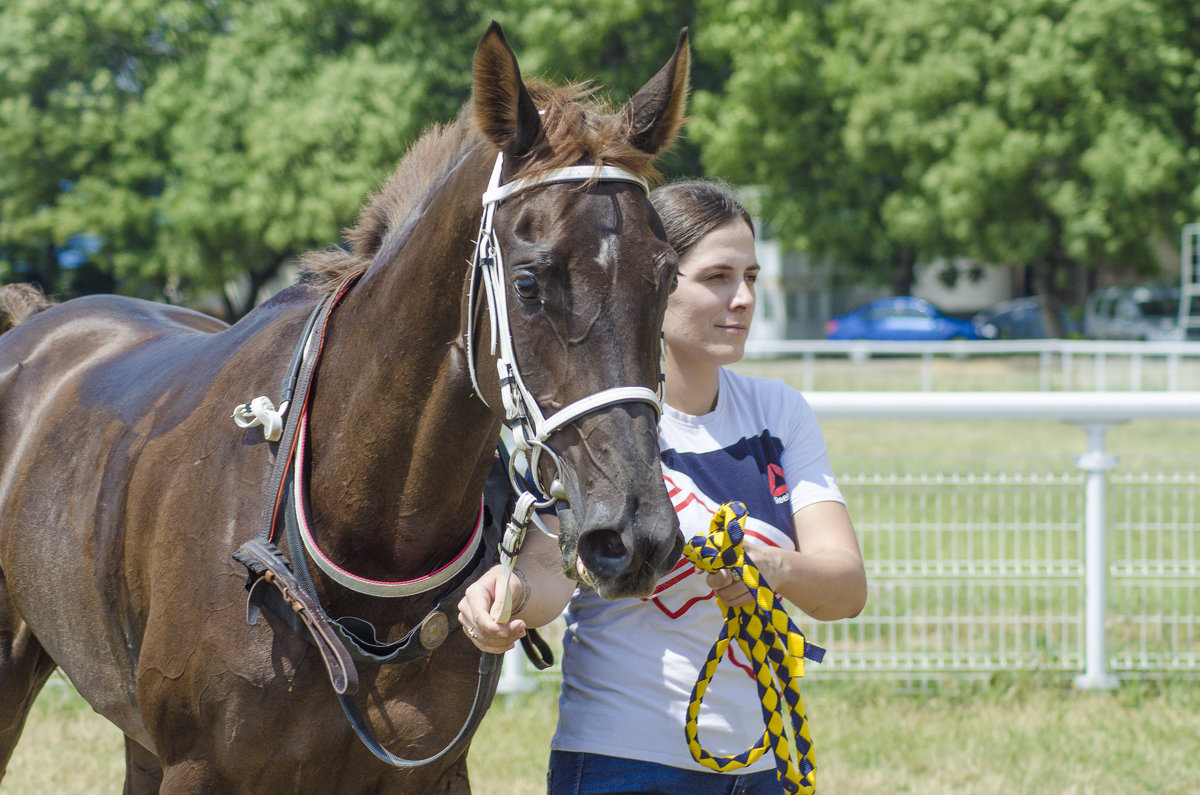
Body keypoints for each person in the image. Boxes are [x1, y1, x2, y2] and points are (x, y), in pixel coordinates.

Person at [458, 179, 867, 794]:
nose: (744, 298)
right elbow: (549, 572)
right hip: (623, 765)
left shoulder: (778, 413)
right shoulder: (593, 422)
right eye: (718, 277)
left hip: (760, 768)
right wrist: (504, 595)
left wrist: (770, 568)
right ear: (653, 282)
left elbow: (845, 588)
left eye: (751, 276)